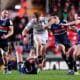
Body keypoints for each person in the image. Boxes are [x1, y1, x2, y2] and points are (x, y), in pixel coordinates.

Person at [0, 10, 14, 74]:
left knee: (4, 54)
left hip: (4, 40)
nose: (6, 14)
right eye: (4, 13)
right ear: (1, 13)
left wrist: (6, 36)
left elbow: (11, 31)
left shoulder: (9, 21)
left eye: (7, 13)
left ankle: (6, 68)